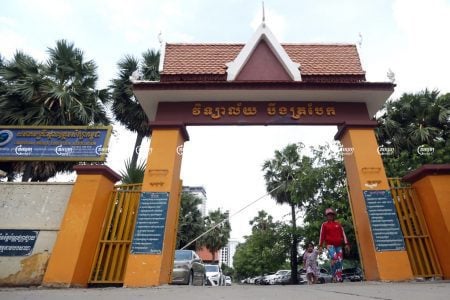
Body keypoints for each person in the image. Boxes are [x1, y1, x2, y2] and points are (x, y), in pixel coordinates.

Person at [318, 208, 350, 282]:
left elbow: (343, 234)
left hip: (338, 245)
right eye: (328, 215)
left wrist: (346, 244)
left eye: (331, 215)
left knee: (340, 260)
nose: (330, 216)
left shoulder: (338, 224)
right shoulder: (324, 225)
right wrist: (320, 246)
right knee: (334, 258)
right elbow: (322, 235)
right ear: (326, 216)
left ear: (333, 215)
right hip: (330, 245)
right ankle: (333, 276)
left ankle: (339, 276)